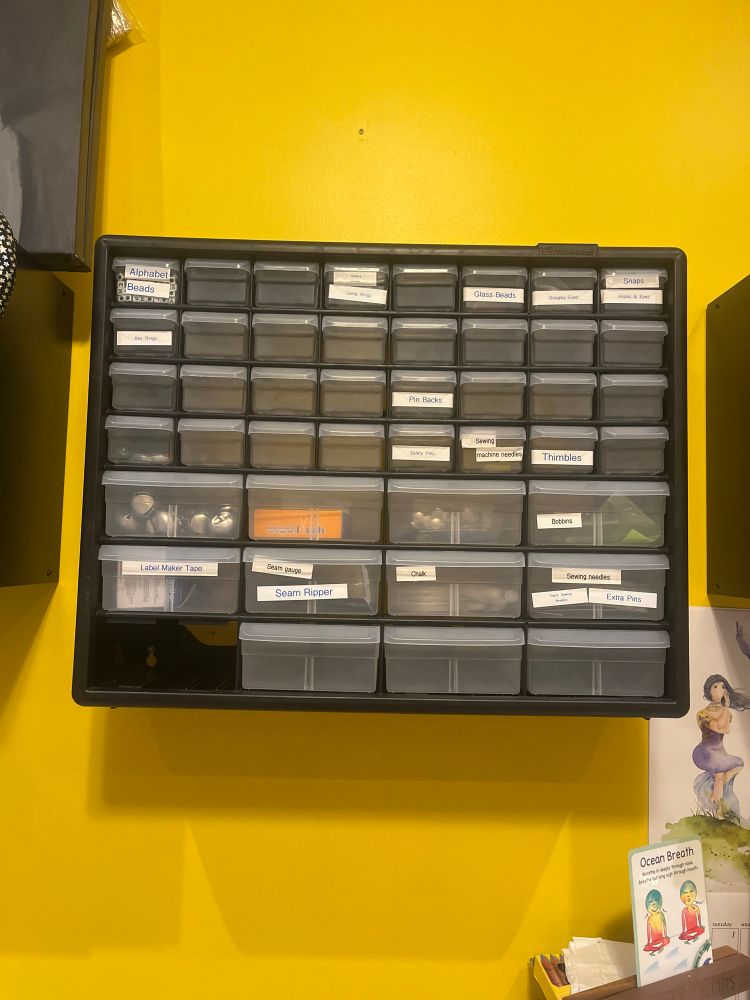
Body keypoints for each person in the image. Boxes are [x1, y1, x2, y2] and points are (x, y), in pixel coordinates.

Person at [692, 674, 750, 819]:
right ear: (709, 691)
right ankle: (718, 812)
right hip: (705, 752)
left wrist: (725, 710)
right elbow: (719, 728)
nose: (720, 690)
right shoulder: (702, 713)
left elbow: (726, 728)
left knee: (737, 765)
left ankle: (716, 796)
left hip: (719, 753)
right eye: (715, 687)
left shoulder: (726, 712)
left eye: (723, 687)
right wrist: (725, 709)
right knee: (719, 776)